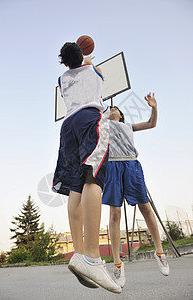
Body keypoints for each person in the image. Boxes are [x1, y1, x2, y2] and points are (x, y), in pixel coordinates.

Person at [52, 42, 121, 294]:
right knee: (94, 179)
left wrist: (79, 57)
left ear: (65, 63)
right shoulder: (94, 71)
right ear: (82, 56)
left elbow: (76, 65)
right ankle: (92, 257)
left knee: (75, 186)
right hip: (88, 118)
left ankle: (79, 253)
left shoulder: (62, 79)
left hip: (67, 127)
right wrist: (88, 58)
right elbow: (94, 67)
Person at [102, 93, 169, 288]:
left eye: (117, 110)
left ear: (121, 116)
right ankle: (117, 264)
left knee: (145, 208)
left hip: (131, 165)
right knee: (114, 214)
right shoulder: (103, 126)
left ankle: (160, 253)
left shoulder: (128, 127)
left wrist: (154, 107)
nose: (113, 110)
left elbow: (151, 124)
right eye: (111, 109)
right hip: (112, 166)